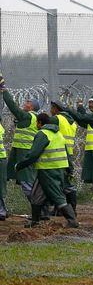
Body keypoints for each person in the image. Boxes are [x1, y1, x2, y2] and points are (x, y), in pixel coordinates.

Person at [14, 113, 79, 228]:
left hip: (48, 170)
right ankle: (35, 222)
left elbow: (33, 154)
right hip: (56, 169)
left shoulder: (42, 134)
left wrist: (20, 165)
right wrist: (69, 169)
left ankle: (72, 220)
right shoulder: (58, 134)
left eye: (37, 123)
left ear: (40, 123)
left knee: (57, 195)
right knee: (36, 195)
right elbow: (67, 153)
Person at [0, 75, 40, 203]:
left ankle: (39, 208)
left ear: (32, 107)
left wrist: (4, 90)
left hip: (24, 152)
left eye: (28, 102)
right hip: (18, 150)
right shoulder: (29, 117)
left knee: (26, 181)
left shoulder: (29, 116)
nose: (25, 103)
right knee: (5, 176)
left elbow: (13, 107)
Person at [49, 99, 78, 212]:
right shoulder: (72, 122)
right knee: (64, 181)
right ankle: (65, 208)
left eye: (52, 108)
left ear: (56, 108)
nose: (50, 110)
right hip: (68, 154)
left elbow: (43, 124)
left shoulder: (57, 119)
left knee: (62, 182)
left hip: (58, 153)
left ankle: (69, 209)